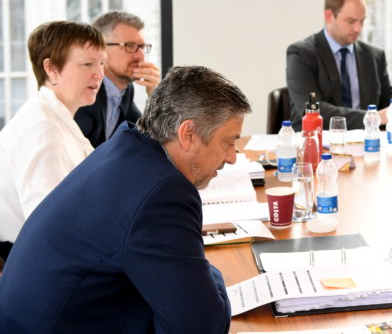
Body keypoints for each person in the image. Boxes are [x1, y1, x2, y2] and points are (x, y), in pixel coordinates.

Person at [0, 66, 250, 333]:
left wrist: (197, 272)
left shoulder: (124, 147)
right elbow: (203, 325)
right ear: (188, 134)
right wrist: (212, 275)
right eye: (228, 142)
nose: (232, 157)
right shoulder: (163, 194)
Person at [0, 21, 104, 261]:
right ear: (52, 69)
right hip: (26, 261)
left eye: (101, 63)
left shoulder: (58, 118)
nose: (99, 74)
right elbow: (47, 226)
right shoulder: (42, 127)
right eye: (87, 64)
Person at [286, 0, 392, 128]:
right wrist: (373, 117)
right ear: (329, 16)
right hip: (317, 144)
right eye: (351, 21)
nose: (358, 29)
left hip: (366, 145)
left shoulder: (374, 56)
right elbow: (313, 112)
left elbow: (391, 107)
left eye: (362, 21)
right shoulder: (301, 54)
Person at [75, 11, 161, 147]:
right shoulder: (83, 90)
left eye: (142, 47)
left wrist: (155, 97)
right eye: (130, 46)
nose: (140, 55)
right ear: (101, 48)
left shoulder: (125, 89)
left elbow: (145, 138)